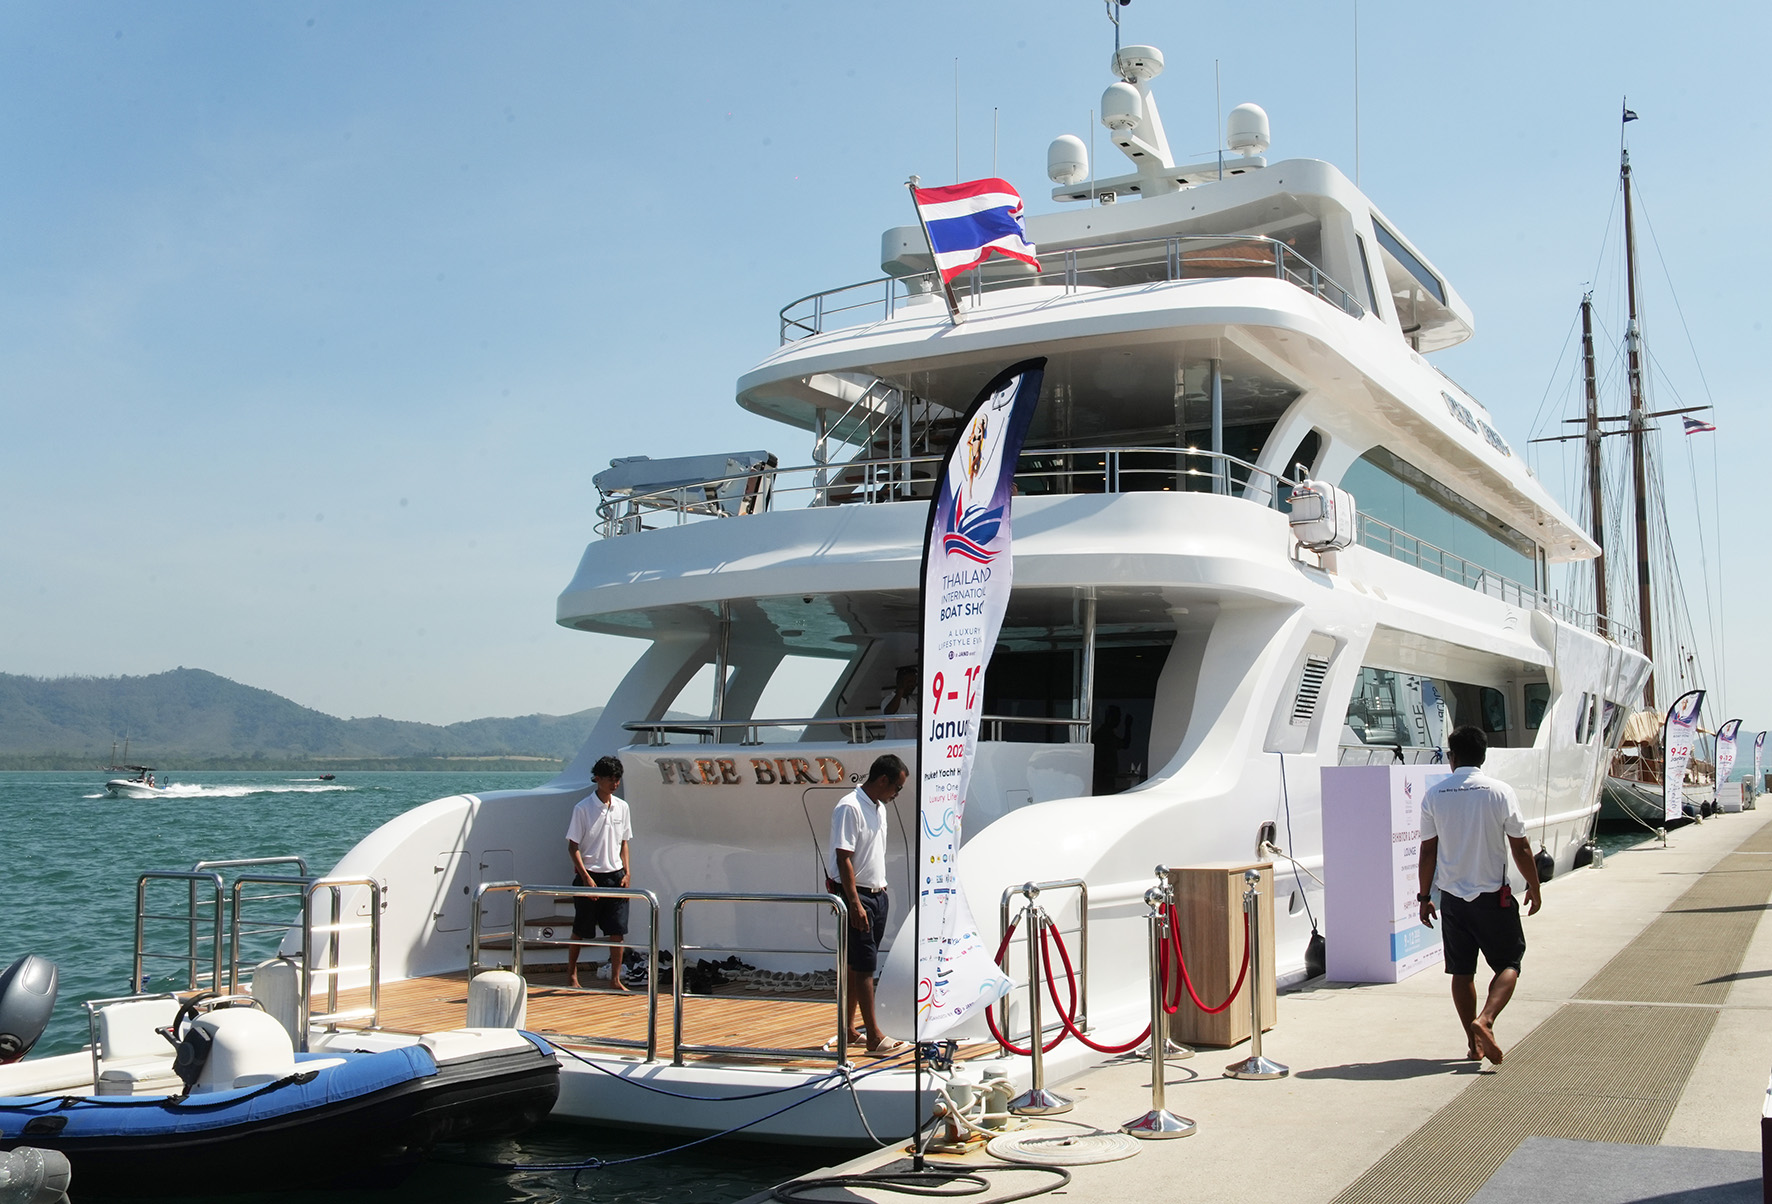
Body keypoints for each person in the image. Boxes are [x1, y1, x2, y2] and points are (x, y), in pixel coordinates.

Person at [1417, 725, 1542, 1064]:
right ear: (1483, 756)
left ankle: (1473, 1046)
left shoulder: (1434, 795)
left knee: (1461, 971)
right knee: (1509, 963)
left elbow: (1428, 852)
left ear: (1452, 757)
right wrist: (1534, 886)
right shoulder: (1500, 792)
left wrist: (1424, 897)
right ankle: (1485, 1019)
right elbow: (1520, 847)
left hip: (1453, 899)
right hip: (1492, 897)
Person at [826, 753, 909, 1055]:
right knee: (865, 965)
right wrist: (854, 903)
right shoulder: (850, 807)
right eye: (897, 788)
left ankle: (849, 1030)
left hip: (877, 894)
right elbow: (843, 857)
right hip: (857, 895)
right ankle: (873, 1036)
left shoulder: (879, 808)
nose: (897, 794)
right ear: (883, 780)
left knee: (856, 964)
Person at [566, 756, 633, 990]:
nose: (614, 783)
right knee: (581, 929)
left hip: (616, 876)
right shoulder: (582, 808)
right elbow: (572, 846)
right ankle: (571, 974)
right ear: (597, 778)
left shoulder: (622, 807)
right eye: (610, 778)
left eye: (617, 778)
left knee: (617, 931)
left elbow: (624, 842)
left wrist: (627, 872)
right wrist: (586, 878)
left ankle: (616, 979)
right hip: (590, 876)